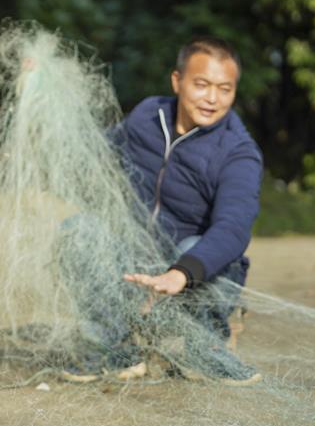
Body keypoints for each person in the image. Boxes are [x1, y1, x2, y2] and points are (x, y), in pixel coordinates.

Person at [63, 37, 263, 385]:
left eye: (225, 89)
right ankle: (115, 346)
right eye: (201, 85)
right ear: (177, 81)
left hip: (186, 268)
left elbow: (234, 227)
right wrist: (42, 93)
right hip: (133, 259)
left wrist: (180, 273)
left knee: (206, 253)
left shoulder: (238, 152)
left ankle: (206, 348)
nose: (212, 99)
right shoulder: (145, 115)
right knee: (78, 229)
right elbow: (99, 154)